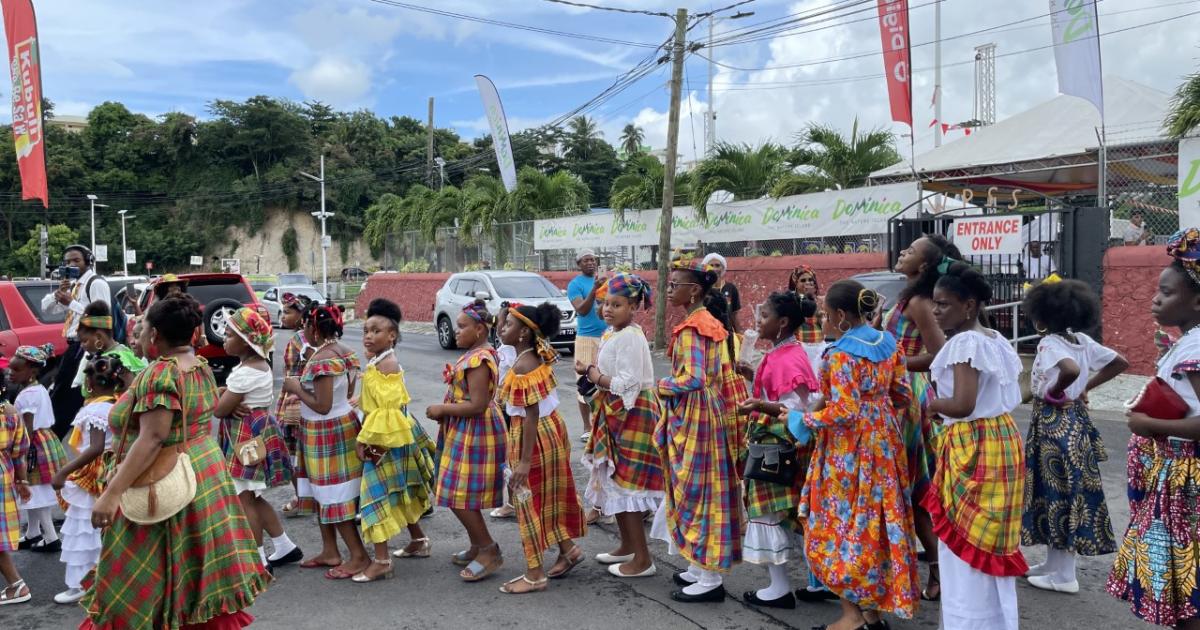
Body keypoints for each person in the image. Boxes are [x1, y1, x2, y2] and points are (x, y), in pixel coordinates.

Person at [81, 294, 267, 628]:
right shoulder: (199, 365)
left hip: (165, 478)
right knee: (191, 569)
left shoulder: (160, 375)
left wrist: (111, 494)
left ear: (155, 336)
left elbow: (152, 438)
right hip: (202, 472)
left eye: (141, 329)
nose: (136, 336)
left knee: (145, 578)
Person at [785, 280, 919, 629]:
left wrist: (802, 419)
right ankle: (872, 613)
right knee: (874, 525)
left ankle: (850, 617)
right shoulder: (889, 344)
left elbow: (844, 411)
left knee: (838, 525)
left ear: (842, 315)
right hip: (885, 445)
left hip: (847, 452)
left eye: (827, 315)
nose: (824, 321)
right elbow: (903, 395)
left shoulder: (841, 354)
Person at [924, 262, 1028, 630]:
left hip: (974, 445)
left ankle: (968, 622)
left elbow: (963, 404)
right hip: (1000, 438)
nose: (935, 311)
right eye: (934, 303)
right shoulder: (996, 340)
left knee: (965, 547)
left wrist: (932, 405)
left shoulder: (966, 342)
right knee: (989, 540)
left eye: (943, 304)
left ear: (968, 306)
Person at [1108, 227, 1200, 627]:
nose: (1155, 299)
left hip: (1189, 481)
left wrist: (1149, 423)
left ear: (1197, 300)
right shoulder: (1187, 342)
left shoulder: (1196, 349)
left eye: (1167, 293)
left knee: (1188, 578)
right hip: (1174, 475)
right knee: (1182, 582)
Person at [1021, 279, 1128, 594]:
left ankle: (1065, 576)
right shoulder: (1081, 340)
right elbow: (1120, 362)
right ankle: (1054, 565)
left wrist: (1058, 390)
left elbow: (1066, 369)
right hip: (1075, 422)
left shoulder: (1050, 343)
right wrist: (1084, 388)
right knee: (1063, 493)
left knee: (1058, 493)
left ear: (1041, 316)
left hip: (1054, 421)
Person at [651, 256, 744, 603]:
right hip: (704, 412)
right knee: (696, 488)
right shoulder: (704, 321)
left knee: (700, 490)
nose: (670, 289)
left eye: (675, 285)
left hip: (698, 415)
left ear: (693, 292)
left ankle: (709, 577)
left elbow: (695, 378)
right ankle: (700, 564)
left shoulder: (694, 327)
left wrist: (661, 385)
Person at [495, 302, 587, 594]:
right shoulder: (531, 355)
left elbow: (530, 414)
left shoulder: (523, 364)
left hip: (531, 437)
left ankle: (535, 574)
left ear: (523, 333)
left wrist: (522, 462)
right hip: (551, 431)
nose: (502, 329)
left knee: (527, 502)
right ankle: (568, 549)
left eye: (508, 325)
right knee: (548, 496)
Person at [888, 233, 961, 601]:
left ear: (925, 266)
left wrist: (892, 363)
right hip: (899, 392)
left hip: (910, 398)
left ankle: (937, 571)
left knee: (916, 488)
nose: (903, 252)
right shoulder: (908, 298)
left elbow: (938, 354)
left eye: (911, 251)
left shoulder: (918, 302)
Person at [736, 292, 819, 610]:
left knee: (770, 514)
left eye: (765, 316)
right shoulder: (786, 352)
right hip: (778, 446)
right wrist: (751, 378)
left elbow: (792, 407)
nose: (758, 321)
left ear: (782, 322)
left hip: (775, 448)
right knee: (787, 517)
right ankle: (809, 582)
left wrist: (758, 405)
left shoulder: (787, 357)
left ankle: (780, 587)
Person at [577, 273, 663, 579]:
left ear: (634, 306)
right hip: (618, 412)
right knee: (619, 482)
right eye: (605, 304)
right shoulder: (616, 333)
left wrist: (594, 375)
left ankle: (642, 559)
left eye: (617, 304)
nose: (608, 310)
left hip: (632, 414)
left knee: (627, 485)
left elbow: (629, 383)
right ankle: (628, 545)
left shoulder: (629, 336)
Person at [281, 301, 369, 580]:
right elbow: (347, 391)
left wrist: (296, 387)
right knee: (324, 495)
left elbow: (323, 405)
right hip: (340, 424)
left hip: (326, 429)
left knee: (334, 496)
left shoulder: (321, 359)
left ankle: (358, 556)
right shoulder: (344, 351)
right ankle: (330, 550)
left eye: (306, 325)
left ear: (313, 327)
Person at [351, 298, 436, 582]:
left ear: (393, 336)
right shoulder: (377, 360)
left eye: (376, 331)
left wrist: (364, 440)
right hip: (394, 433)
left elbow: (386, 412)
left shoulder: (386, 364)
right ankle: (418, 540)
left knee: (374, 493)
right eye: (366, 330)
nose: (368, 336)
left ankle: (382, 560)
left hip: (385, 437)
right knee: (400, 487)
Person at [426, 300, 506, 583]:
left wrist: (442, 409)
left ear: (480, 329)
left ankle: (488, 549)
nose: (456, 331)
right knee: (455, 491)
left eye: (462, 326)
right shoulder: (475, 353)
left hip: (475, 431)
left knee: (458, 494)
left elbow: (477, 405)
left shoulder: (479, 359)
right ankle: (477, 544)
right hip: (464, 430)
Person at [217, 308, 301, 574]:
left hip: (246, 437)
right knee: (252, 494)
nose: (224, 339)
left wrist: (221, 399)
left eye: (230, 335)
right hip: (256, 432)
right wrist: (225, 396)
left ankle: (258, 559)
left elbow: (219, 409)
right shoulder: (256, 366)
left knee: (244, 497)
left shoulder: (244, 374)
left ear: (246, 341)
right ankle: (283, 545)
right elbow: (227, 400)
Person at [49, 355, 126, 604]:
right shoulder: (116, 403)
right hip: (107, 470)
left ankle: (81, 583)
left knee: (83, 527)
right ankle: (103, 578)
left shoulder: (94, 409)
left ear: (90, 383)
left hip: (92, 473)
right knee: (99, 528)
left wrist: (63, 471)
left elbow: (93, 448)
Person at [41, 244, 111, 436]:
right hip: (74, 345)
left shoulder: (96, 283)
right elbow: (46, 308)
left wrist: (71, 303)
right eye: (68, 262)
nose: (72, 265)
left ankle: (53, 439)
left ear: (88, 261)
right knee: (62, 395)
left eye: (76, 261)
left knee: (66, 398)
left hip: (88, 349)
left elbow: (104, 317)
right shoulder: (74, 285)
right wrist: (59, 295)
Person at [10, 344, 68, 553]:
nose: (11, 373)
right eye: (10, 369)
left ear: (32, 370)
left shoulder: (27, 395)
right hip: (46, 440)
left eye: (16, 369)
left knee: (35, 492)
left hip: (33, 445)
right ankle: (33, 532)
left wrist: (17, 450)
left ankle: (51, 537)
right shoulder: (39, 389)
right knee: (34, 491)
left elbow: (27, 428)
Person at [277, 293, 315, 518]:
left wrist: (299, 391)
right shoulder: (300, 338)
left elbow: (311, 366)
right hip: (294, 395)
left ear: (302, 316)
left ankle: (302, 496)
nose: (283, 316)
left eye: (288, 312)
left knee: (291, 451)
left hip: (295, 399)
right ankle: (304, 495)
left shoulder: (301, 340)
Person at [0, 363, 32, 606]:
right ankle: (16, 585)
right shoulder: (9, 412)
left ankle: (17, 584)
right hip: (5, 476)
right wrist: (21, 480)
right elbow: (20, 451)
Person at [569, 250, 605, 444]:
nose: (591, 263)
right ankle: (587, 426)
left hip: (606, 336)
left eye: (593, 260)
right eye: (586, 260)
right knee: (584, 381)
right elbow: (581, 310)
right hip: (586, 338)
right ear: (579, 264)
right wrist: (594, 290)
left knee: (604, 379)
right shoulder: (575, 284)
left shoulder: (604, 280)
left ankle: (603, 423)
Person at [72, 301, 145, 397]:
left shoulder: (107, 363)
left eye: (85, 341)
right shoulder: (124, 351)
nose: (82, 345)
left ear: (98, 336)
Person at [489, 304, 519, 521]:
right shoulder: (504, 348)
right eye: (499, 322)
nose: (500, 327)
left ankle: (514, 502)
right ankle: (513, 501)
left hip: (511, 409)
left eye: (506, 323)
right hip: (504, 407)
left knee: (512, 457)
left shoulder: (512, 351)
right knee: (510, 457)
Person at [788, 264, 826, 375]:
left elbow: (823, 324)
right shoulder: (791, 301)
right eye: (803, 280)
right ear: (796, 283)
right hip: (799, 346)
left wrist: (812, 299)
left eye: (810, 280)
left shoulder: (820, 301)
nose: (807, 283)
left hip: (818, 346)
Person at [704, 253, 742, 332]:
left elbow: (734, 316)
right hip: (706, 334)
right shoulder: (702, 289)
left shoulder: (731, 288)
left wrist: (740, 336)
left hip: (727, 335)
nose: (714, 269)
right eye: (711, 265)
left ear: (723, 268)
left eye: (717, 265)